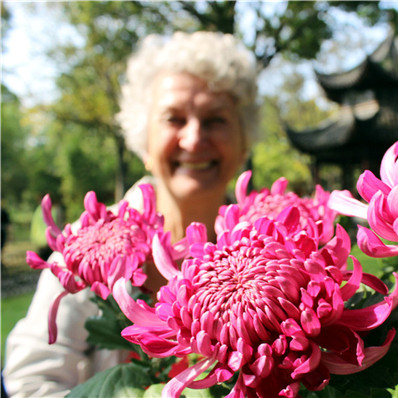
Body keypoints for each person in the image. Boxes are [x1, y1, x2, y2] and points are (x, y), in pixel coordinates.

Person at [3, 31, 259, 397]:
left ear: (244, 139)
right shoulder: (90, 244)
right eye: (174, 119)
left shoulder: (268, 245)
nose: (193, 138)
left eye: (216, 119)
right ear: (144, 141)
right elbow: (30, 378)